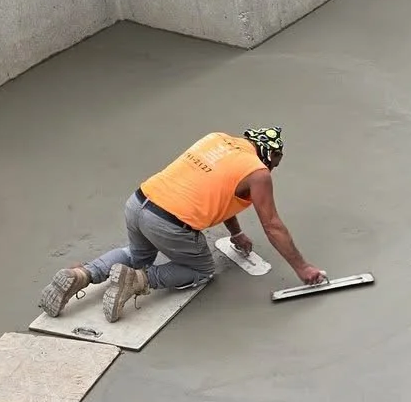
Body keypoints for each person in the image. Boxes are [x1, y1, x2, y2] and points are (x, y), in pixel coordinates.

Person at [38, 126, 326, 324]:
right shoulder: (258, 173)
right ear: (267, 152)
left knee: (137, 255)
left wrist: (236, 232)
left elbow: (220, 189)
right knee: (202, 269)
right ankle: (138, 281)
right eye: (275, 162)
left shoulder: (217, 140)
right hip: (169, 223)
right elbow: (272, 225)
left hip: (139, 202)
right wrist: (303, 268)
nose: (273, 168)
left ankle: (82, 274)